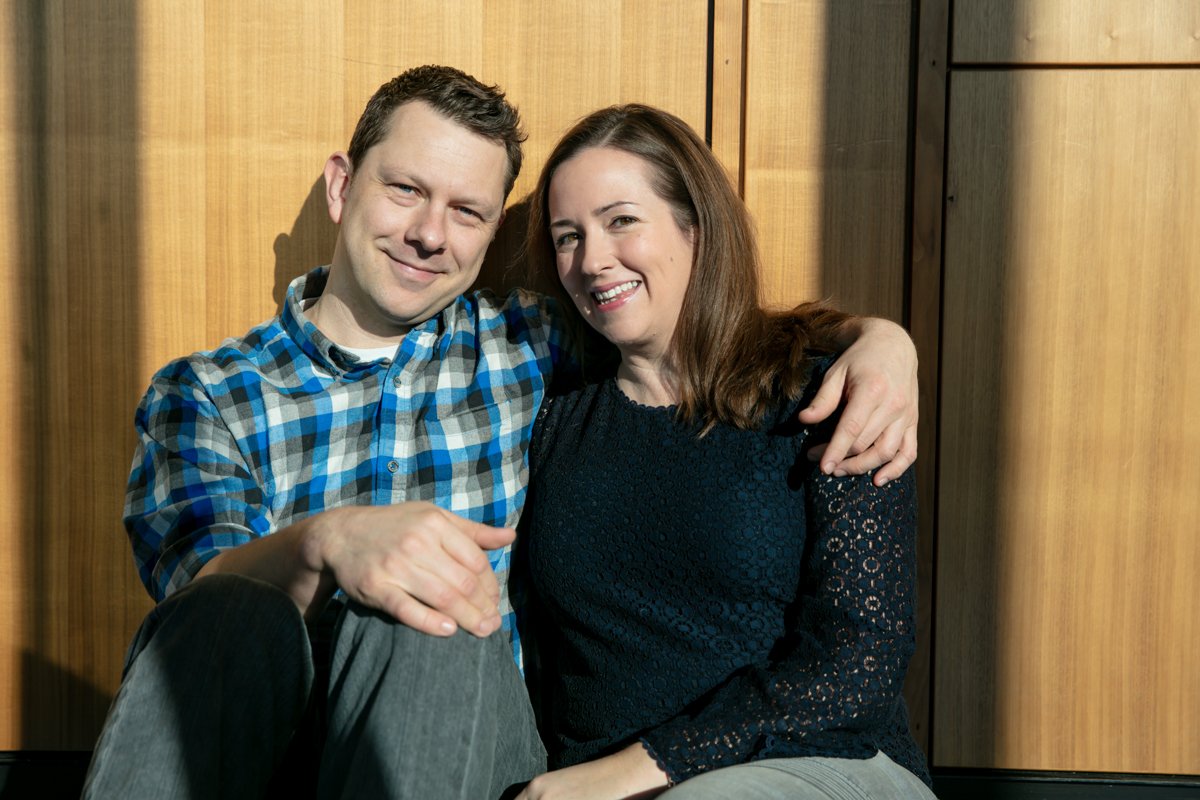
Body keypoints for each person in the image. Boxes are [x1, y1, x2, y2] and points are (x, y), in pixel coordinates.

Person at [83, 66, 921, 799]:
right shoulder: (207, 394)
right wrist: (331, 543)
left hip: (459, 747)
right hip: (268, 743)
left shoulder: (527, 350)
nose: (429, 233)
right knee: (229, 605)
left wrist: (882, 342)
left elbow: (697, 338)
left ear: (492, 238)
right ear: (343, 187)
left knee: (431, 610)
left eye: (468, 211)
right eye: (405, 190)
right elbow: (195, 610)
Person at [513, 104, 935, 799]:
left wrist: (643, 766)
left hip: (820, 765)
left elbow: (859, 664)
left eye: (621, 221)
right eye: (567, 237)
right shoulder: (552, 414)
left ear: (695, 226)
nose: (591, 260)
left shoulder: (825, 398)